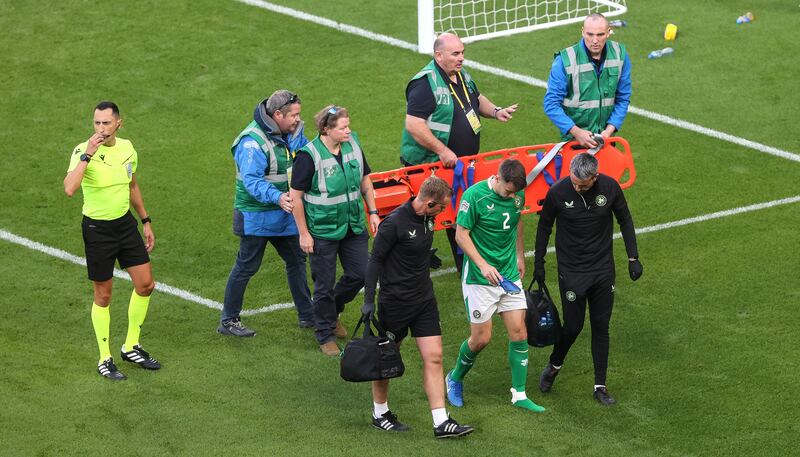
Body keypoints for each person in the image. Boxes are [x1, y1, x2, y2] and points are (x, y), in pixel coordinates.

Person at [362, 176, 473, 439]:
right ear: (430, 203)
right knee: (387, 360)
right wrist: (368, 300)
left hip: (424, 301)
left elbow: (412, 248)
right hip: (395, 303)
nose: (445, 211)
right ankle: (380, 413)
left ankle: (441, 421)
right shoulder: (395, 224)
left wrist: (425, 256)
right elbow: (376, 260)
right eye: (442, 207)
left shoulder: (427, 218)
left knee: (434, 356)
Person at [400, 32, 519, 274]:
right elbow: (414, 126)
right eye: (456, 53)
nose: (461, 58)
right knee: (424, 214)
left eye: (462, 52)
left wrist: (496, 111)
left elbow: (476, 99)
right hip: (430, 165)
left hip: (460, 166)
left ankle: (465, 266)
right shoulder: (424, 84)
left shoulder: (460, 74)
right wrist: (442, 150)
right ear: (438, 54)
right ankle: (410, 263)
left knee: (460, 214)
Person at [533, 152, 642, 406]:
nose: (576, 187)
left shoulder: (610, 188)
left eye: (582, 185)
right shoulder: (558, 192)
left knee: (601, 326)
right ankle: (554, 365)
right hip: (572, 271)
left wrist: (633, 258)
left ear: (594, 177)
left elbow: (625, 219)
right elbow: (544, 226)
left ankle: (600, 386)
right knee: (573, 326)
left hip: (603, 269)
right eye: (573, 182)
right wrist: (539, 264)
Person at [63, 101, 160, 381]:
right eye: (97, 123)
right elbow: (69, 188)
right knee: (103, 295)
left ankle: (131, 346)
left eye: (106, 123)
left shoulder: (127, 148)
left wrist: (145, 220)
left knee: (146, 284)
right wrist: (88, 155)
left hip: (125, 225)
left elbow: (132, 185)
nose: (101, 128)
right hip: (97, 230)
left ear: (119, 123)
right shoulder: (83, 151)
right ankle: (105, 358)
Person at [445, 159, 545, 412]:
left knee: (519, 333)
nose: (512, 195)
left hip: (509, 275)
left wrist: (520, 255)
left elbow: (517, 221)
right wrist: (482, 265)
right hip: (480, 279)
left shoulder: (517, 195)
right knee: (481, 339)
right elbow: (460, 234)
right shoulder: (474, 196)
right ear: (497, 178)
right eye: (508, 190)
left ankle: (519, 394)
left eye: (515, 192)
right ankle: (454, 378)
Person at [217, 90, 315, 337]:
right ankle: (228, 320)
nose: (297, 119)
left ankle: (307, 315)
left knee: (296, 261)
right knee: (246, 266)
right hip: (256, 216)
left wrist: (300, 145)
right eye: (293, 115)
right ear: (278, 114)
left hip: (283, 212)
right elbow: (251, 180)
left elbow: (301, 161)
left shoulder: (290, 132)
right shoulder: (251, 142)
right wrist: (278, 197)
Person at [289, 105, 381, 356]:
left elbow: (365, 179)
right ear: (326, 129)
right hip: (323, 231)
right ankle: (324, 333)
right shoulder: (309, 156)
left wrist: (373, 212)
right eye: (343, 128)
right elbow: (295, 197)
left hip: (353, 225)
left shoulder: (352, 145)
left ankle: (334, 310)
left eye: (348, 126)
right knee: (324, 285)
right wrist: (304, 234)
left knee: (363, 273)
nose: (348, 131)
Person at [543, 13, 631, 149]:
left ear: (608, 33)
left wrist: (609, 130)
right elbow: (551, 104)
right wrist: (576, 132)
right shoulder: (564, 60)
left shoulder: (620, 55)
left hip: (606, 140)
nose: (595, 40)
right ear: (582, 32)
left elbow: (623, 98)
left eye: (600, 35)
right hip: (575, 142)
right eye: (590, 34)